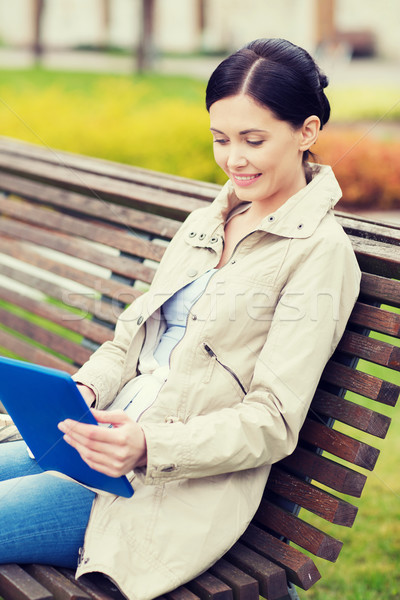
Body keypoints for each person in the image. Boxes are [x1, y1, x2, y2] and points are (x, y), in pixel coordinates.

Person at [0, 38, 361, 600]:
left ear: (308, 131)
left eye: (254, 140)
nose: (233, 158)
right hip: (95, 438)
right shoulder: (204, 223)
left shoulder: (319, 253)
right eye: (221, 139)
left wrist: (147, 445)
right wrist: (87, 389)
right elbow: (131, 340)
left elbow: (271, 420)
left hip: (153, 488)